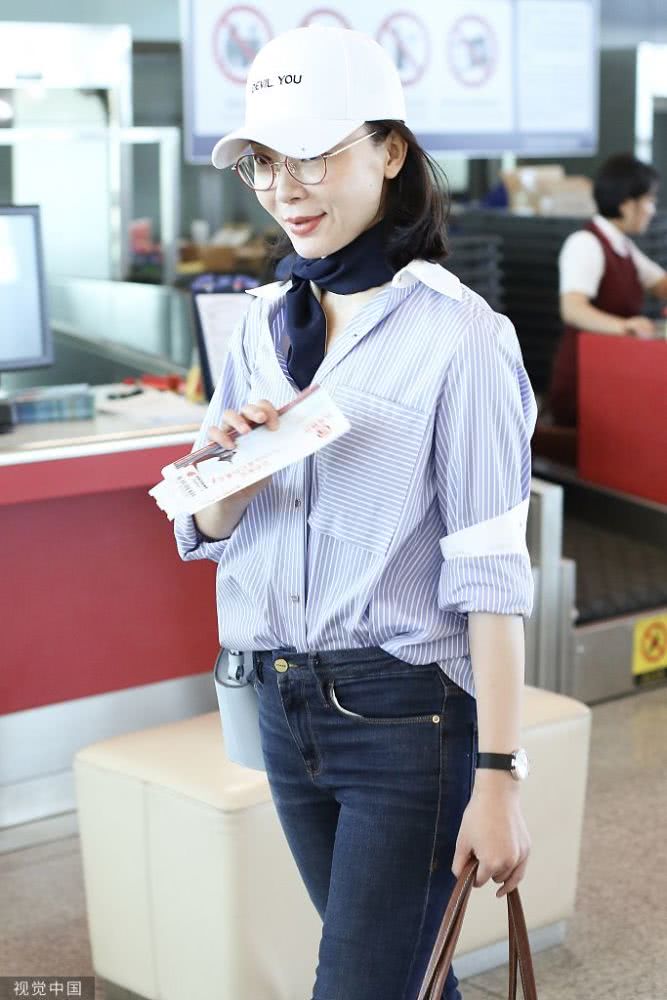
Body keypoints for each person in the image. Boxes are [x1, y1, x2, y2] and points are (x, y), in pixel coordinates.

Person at [175, 26, 535, 1000]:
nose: (284, 189)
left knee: (361, 984)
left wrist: (500, 774)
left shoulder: (460, 336)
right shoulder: (261, 320)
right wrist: (228, 482)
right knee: (406, 973)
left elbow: (491, 574)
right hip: (278, 700)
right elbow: (205, 530)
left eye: (314, 156)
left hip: (405, 716)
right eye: (262, 162)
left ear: (391, 151)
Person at [547, 152, 667, 427]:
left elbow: (661, 284)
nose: (652, 209)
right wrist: (625, 327)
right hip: (584, 383)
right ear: (627, 205)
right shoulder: (585, 243)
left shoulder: (623, 246)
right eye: (649, 200)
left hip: (612, 374)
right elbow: (573, 309)